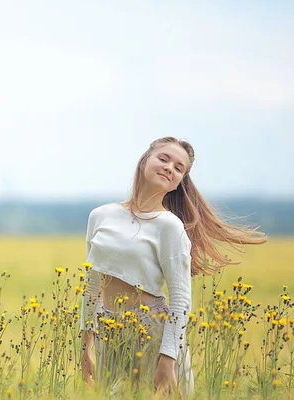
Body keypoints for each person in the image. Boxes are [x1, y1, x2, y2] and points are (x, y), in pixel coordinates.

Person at [79, 137, 268, 397]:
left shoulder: (169, 226)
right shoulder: (100, 215)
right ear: (145, 160)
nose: (170, 168)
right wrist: (84, 347)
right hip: (107, 329)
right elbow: (92, 285)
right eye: (164, 159)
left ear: (179, 181)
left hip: (151, 334)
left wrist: (167, 360)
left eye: (179, 168)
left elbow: (180, 299)